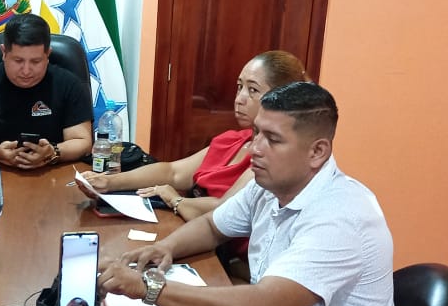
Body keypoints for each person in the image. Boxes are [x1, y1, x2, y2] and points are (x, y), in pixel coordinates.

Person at [97, 82, 397, 306]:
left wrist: (149, 288)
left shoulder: (341, 217)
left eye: (273, 139)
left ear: (317, 151)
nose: (254, 148)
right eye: (256, 133)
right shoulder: (269, 185)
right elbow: (212, 226)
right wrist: (165, 247)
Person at [78, 50, 307, 222]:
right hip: (191, 227)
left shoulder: (272, 157)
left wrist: (175, 200)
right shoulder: (233, 140)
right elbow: (173, 172)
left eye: (253, 90)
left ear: (280, 98)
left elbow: (224, 209)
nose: (239, 99)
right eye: (239, 87)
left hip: (226, 256)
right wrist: (108, 182)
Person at [0, 13, 93, 169]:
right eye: (18, 60)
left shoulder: (69, 84)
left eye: (35, 61)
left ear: (48, 54)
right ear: (4, 52)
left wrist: (52, 152)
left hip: (52, 172)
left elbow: (82, 141)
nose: (26, 71)